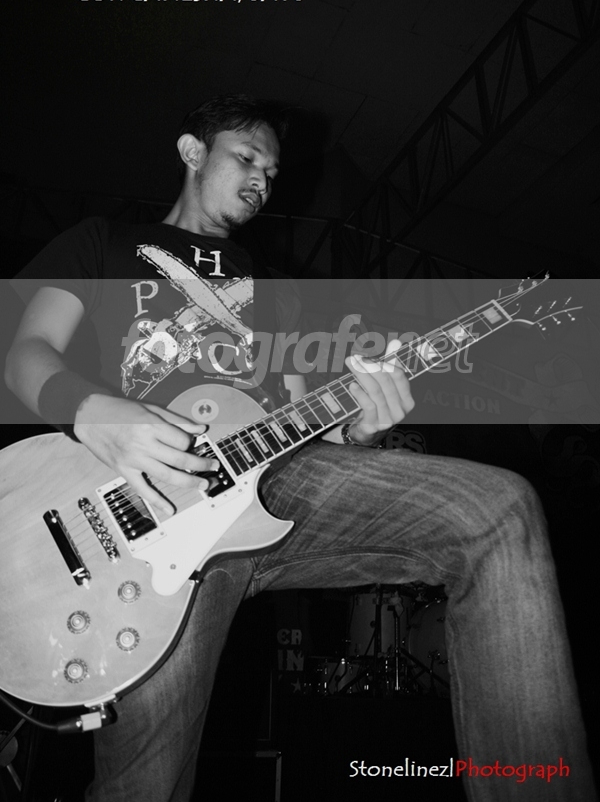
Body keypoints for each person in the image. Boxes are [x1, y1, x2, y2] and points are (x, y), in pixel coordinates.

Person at [5, 95, 596, 801]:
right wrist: (91, 412)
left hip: (279, 487)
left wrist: (360, 429)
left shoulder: (280, 293)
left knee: (500, 509)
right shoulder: (102, 242)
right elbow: (25, 353)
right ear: (193, 152)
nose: (262, 179)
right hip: (147, 515)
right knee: (145, 786)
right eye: (247, 158)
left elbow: (298, 415)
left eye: (273, 171)